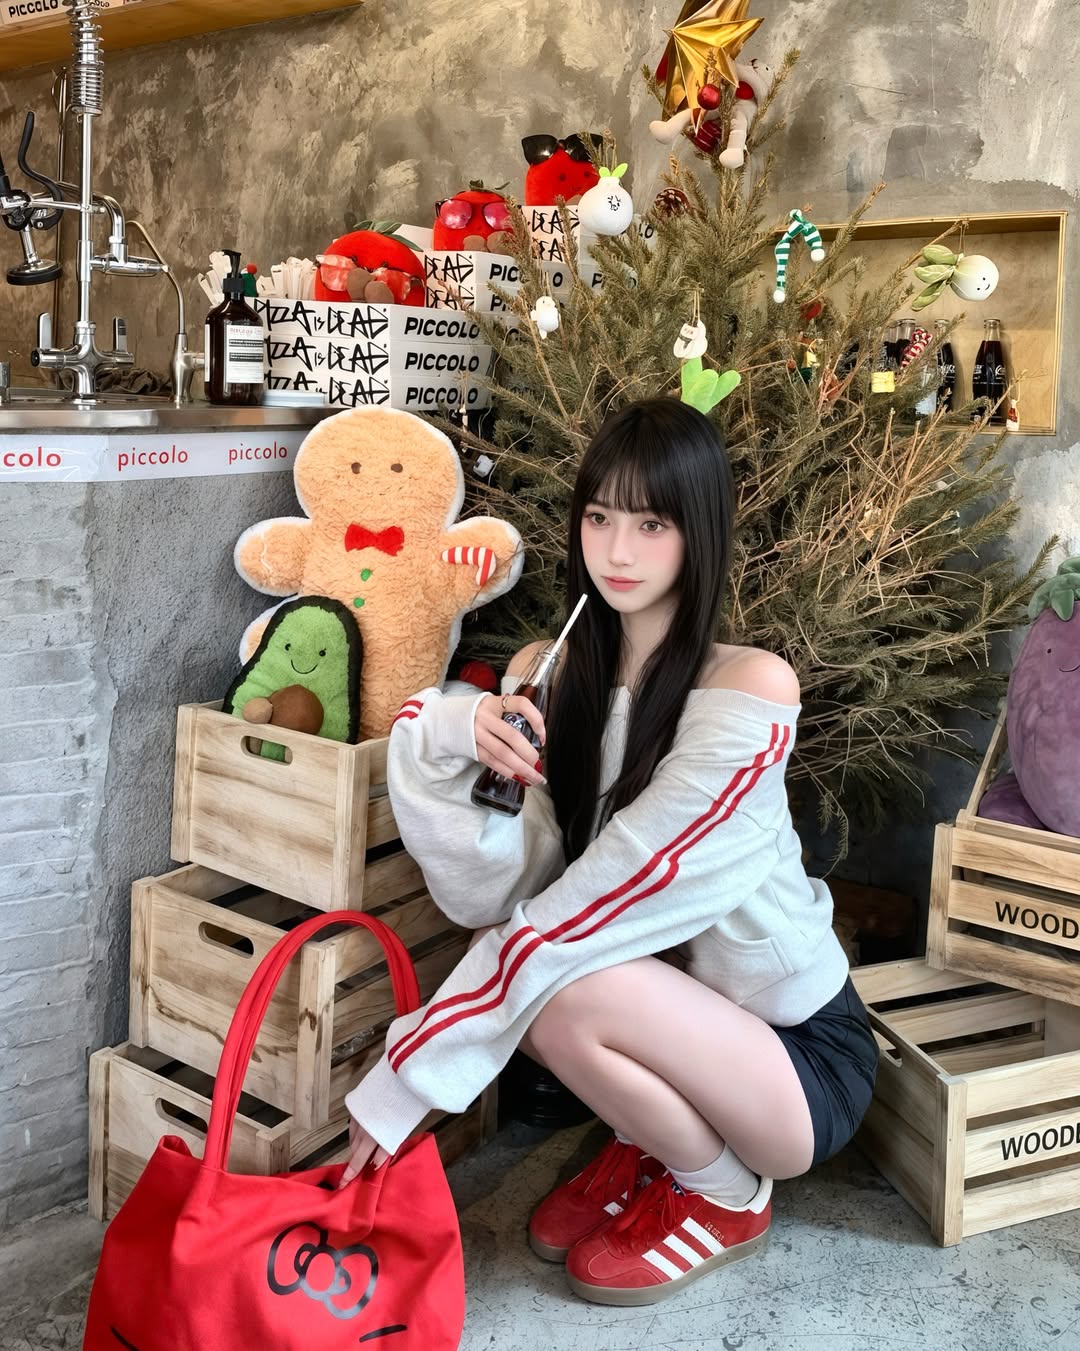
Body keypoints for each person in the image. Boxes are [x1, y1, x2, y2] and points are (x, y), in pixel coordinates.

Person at [340, 397, 877, 1307]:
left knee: (559, 979)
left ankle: (725, 1194)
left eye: (651, 524)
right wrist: (459, 731)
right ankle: (656, 1143)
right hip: (674, 1024)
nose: (618, 551)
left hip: (798, 1059)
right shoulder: (555, 671)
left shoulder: (749, 690)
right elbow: (492, 889)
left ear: (698, 533)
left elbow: (625, 884)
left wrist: (407, 1073)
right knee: (543, 978)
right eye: (599, 517)